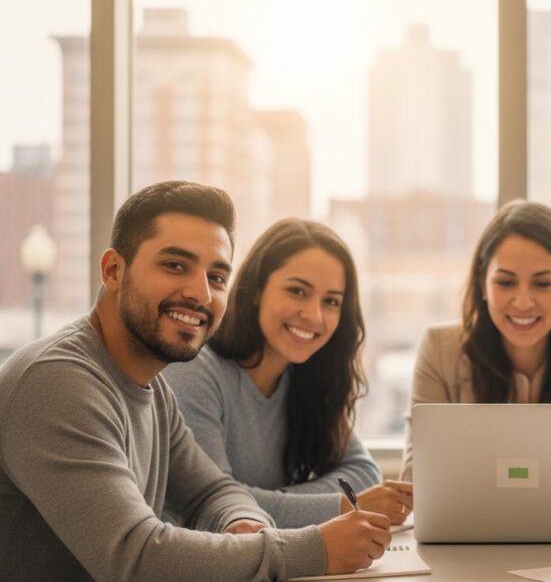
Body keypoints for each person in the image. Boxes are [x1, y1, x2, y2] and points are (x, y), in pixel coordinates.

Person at [0, 181, 390, 582]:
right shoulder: (57, 382)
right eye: (175, 265)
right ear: (113, 270)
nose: (200, 293)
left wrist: (245, 526)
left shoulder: (153, 389)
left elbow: (212, 492)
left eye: (217, 277)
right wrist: (314, 549)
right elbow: (135, 558)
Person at [163, 219, 412, 529]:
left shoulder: (308, 378)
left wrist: (264, 500)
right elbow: (210, 506)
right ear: (256, 290)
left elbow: (363, 472)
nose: (314, 315)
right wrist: (343, 505)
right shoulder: (195, 370)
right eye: (297, 291)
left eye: (331, 301)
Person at [399, 200, 551, 496]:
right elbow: (416, 478)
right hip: (471, 535)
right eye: (505, 282)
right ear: (483, 284)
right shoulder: (439, 348)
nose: (523, 302)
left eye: (542, 284)